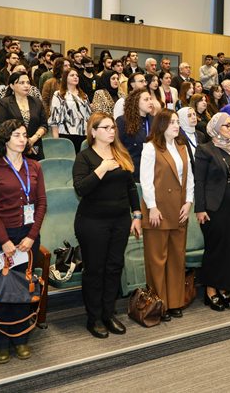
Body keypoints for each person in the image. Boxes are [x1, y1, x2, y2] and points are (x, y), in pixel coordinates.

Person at [0, 119, 47, 364]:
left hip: (28, 238)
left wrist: (31, 236)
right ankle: (0, 343)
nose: (22, 139)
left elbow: (42, 204)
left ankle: (21, 339)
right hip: (1, 240)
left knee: (22, 289)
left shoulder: (34, 167)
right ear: (5, 139)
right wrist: (4, 241)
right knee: (2, 290)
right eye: (16, 134)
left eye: (24, 135)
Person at [73, 113, 142, 338]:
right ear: (93, 132)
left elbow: (131, 187)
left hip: (120, 220)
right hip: (92, 222)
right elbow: (81, 188)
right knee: (95, 270)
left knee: (114, 267)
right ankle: (94, 317)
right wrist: (102, 169)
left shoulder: (120, 153)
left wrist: (137, 215)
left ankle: (108, 313)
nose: (112, 131)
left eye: (113, 127)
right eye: (106, 127)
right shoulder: (84, 157)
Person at [140, 109, 194, 321]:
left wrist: (188, 202)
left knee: (176, 258)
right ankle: (158, 304)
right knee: (157, 260)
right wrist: (152, 207)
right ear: (161, 125)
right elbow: (146, 181)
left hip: (179, 209)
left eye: (177, 122)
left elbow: (190, 178)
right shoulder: (150, 147)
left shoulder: (182, 147)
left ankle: (175, 302)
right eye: (171, 122)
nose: (176, 125)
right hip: (159, 210)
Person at [194, 113, 230, 311]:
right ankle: (211, 291)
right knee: (216, 249)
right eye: (227, 125)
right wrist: (200, 208)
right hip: (214, 207)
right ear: (216, 127)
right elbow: (199, 181)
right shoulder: (205, 149)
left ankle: (224, 288)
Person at [0, 72, 48, 161]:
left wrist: (32, 140)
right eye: (22, 83)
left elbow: (44, 125)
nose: (26, 85)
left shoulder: (37, 102)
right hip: (13, 148)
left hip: (35, 147)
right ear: (12, 86)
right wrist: (22, 140)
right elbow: (0, 127)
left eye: (28, 82)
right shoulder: (4, 103)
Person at [49, 68, 92, 153]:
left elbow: (89, 117)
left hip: (83, 134)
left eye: (77, 75)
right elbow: (54, 119)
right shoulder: (58, 94)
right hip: (65, 134)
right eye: (72, 75)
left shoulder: (84, 96)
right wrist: (56, 140)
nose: (75, 77)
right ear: (65, 78)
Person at [116, 89, 153, 181]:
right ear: (136, 102)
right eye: (146, 99)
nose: (150, 102)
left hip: (151, 167)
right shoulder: (123, 121)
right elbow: (117, 146)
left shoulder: (154, 120)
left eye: (150, 99)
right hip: (131, 168)